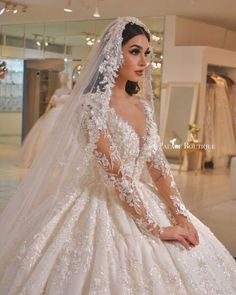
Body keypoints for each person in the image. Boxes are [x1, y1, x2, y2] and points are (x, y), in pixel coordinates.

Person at [0, 17, 236, 295]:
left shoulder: (143, 107)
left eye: (147, 53)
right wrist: (155, 228)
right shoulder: (90, 107)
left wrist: (179, 214)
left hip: (140, 193)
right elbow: (115, 174)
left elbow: (157, 166)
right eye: (134, 51)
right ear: (113, 54)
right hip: (100, 200)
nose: (144, 61)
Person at [16, 71, 71, 168]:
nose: (63, 79)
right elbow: (50, 105)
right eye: (62, 77)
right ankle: (47, 159)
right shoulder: (57, 92)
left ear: (68, 79)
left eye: (65, 77)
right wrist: (44, 115)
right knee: (48, 135)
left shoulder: (70, 91)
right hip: (54, 116)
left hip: (67, 116)